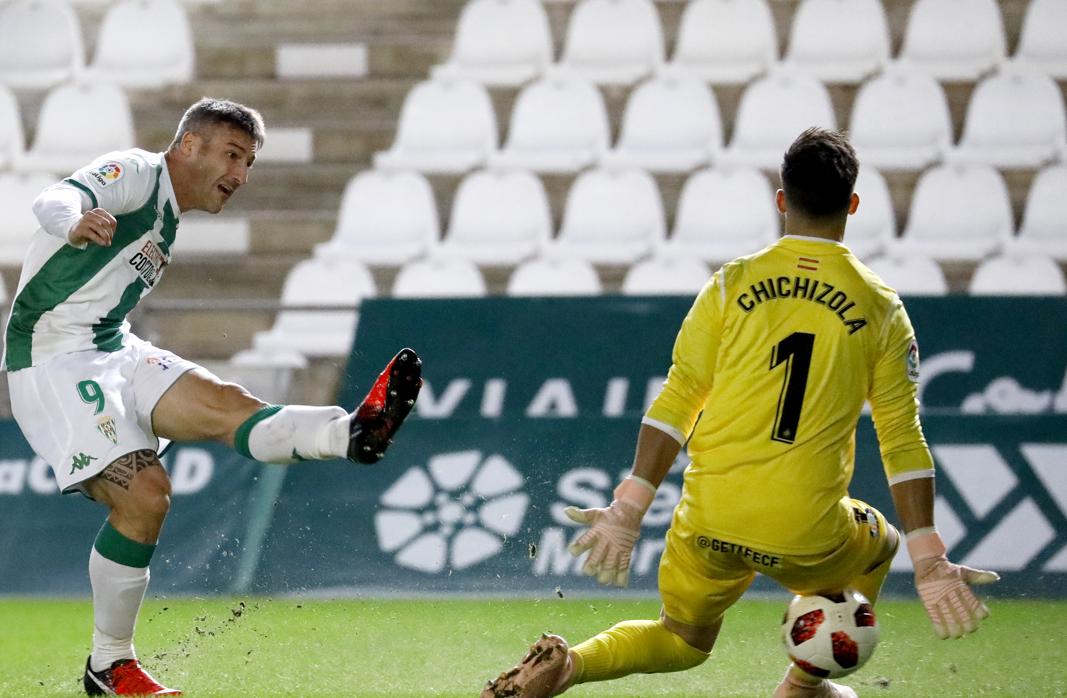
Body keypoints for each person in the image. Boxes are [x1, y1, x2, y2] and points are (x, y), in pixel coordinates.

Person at [481, 128, 999, 698]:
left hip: (708, 517)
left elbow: (677, 400)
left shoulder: (730, 285)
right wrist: (930, 558)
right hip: (808, 530)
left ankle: (571, 665)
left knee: (680, 641)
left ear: (782, 200)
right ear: (852, 205)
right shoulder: (881, 309)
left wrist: (629, 507)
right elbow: (902, 440)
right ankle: (803, 684)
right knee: (882, 541)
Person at [2, 98, 423, 696]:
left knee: (230, 404)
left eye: (249, 162)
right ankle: (108, 665)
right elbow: (54, 198)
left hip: (110, 346)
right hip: (51, 358)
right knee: (146, 496)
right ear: (190, 145)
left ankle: (350, 435)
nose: (241, 175)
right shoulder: (139, 174)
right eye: (232, 155)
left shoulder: (169, 215)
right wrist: (72, 221)